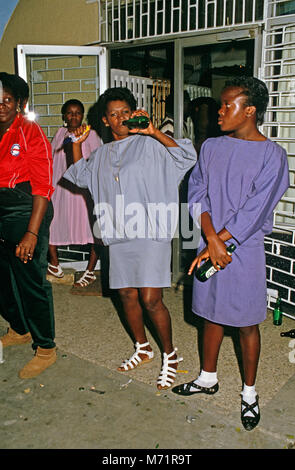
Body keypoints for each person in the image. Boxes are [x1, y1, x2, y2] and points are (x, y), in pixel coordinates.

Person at [172, 76, 289, 430]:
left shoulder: (273, 156)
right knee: (211, 314)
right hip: (212, 244)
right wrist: (211, 238)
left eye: (227, 105)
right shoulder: (211, 147)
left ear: (249, 110)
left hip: (245, 250)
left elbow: (255, 211)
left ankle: (250, 393)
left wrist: (219, 242)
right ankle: (208, 378)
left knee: (246, 322)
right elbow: (197, 193)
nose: (219, 112)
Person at [63, 87, 197, 389]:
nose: (120, 117)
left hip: (150, 230)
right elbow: (79, 176)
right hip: (117, 231)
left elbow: (186, 156)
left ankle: (170, 354)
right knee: (126, 295)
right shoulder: (100, 154)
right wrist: (77, 143)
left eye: (125, 111)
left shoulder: (149, 145)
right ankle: (142, 347)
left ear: (133, 113)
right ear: (105, 121)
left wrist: (153, 132)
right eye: (113, 113)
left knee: (151, 299)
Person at [0, 72, 56, 378]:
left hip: (25, 210)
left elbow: (43, 186)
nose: (1, 105)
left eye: (7, 99)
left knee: (31, 282)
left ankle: (46, 347)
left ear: (19, 102)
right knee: (4, 281)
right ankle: (19, 329)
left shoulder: (30, 132)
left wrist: (32, 232)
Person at [47, 99, 102, 287]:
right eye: (69, 113)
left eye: (77, 112)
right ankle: (54, 265)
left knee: (94, 229)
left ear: (82, 115)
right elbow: (53, 162)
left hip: (83, 192)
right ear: (64, 116)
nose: (73, 116)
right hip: (62, 189)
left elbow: (98, 162)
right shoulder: (60, 134)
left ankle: (90, 270)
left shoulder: (91, 134)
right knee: (51, 225)